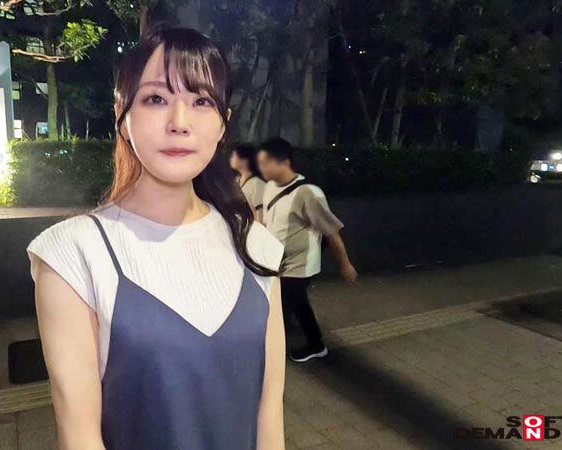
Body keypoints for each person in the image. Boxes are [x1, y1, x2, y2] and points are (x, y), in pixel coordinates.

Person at [26, 28, 286, 450]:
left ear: (223, 122)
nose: (179, 123)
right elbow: (80, 437)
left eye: (202, 102)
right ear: (122, 115)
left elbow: (269, 413)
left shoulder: (255, 244)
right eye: (155, 99)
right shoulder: (73, 256)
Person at [257, 137, 358, 363]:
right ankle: (316, 344)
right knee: (299, 304)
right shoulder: (270, 187)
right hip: (276, 262)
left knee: (279, 309)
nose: (261, 168)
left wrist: (345, 264)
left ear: (283, 162)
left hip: (299, 266)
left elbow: (331, 231)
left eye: (265, 163)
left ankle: (269, 355)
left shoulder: (309, 193)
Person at [230, 143, 266, 222]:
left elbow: (260, 216)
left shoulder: (257, 184)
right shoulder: (236, 180)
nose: (231, 159)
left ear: (244, 160)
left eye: (233, 156)